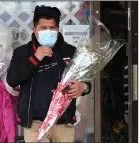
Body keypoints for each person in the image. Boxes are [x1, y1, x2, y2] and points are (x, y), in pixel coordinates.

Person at [7, 5, 92, 142]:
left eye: (52, 28)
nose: (48, 31)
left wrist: (84, 87)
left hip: (63, 123)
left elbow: (86, 81)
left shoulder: (71, 52)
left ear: (58, 29)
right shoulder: (22, 52)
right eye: (43, 28)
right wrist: (35, 59)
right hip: (35, 123)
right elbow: (12, 80)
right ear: (35, 30)